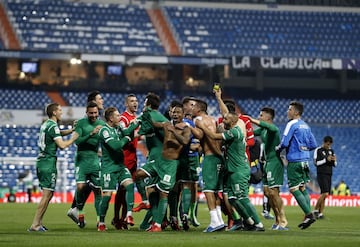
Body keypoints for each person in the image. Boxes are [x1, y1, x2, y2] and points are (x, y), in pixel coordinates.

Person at [196, 111, 265, 231]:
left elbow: (213, 137)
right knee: (232, 199)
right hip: (233, 170)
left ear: (233, 122)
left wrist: (201, 126)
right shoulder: (232, 132)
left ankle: (258, 224)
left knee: (242, 197)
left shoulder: (235, 132)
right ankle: (248, 221)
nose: (223, 121)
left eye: (226, 119)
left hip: (239, 170)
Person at [142, 102, 191, 232]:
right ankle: (158, 218)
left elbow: (185, 141)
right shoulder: (167, 124)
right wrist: (147, 114)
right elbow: (154, 124)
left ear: (182, 114)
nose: (175, 114)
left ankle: (166, 221)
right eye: (173, 112)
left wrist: (174, 131)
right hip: (162, 161)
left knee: (170, 192)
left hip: (176, 162)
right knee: (153, 187)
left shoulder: (186, 128)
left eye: (178, 112)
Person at [28, 103, 77, 232]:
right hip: (48, 162)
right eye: (60, 110)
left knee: (49, 194)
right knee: (47, 194)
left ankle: (38, 223)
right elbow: (61, 145)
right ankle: (35, 224)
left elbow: (58, 133)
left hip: (42, 161)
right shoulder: (53, 126)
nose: (62, 112)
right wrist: (74, 138)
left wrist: (71, 130)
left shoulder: (46, 124)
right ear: (54, 112)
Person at [276, 101, 317, 230]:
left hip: (295, 161)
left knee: (294, 189)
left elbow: (284, 142)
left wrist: (277, 149)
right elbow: (313, 144)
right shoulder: (305, 125)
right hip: (305, 160)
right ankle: (307, 215)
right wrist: (304, 149)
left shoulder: (292, 124)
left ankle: (309, 215)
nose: (287, 112)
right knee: (303, 188)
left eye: (290, 110)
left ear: (296, 112)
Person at [97, 107, 139, 231]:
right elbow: (116, 146)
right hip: (108, 168)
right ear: (110, 118)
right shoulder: (104, 130)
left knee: (130, 185)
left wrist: (137, 121)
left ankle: (129, 215)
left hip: (120, 166)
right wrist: (127, 139)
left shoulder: (118, 127)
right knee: (107, 196)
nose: (120, 117)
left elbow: (127, 132)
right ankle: (101, 222)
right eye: (117, 115)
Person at [112, 94, 149, 230]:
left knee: (125, 190)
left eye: (136, 101)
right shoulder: (123, 118)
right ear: (126, 104)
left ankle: (121, 219)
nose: (135, 103)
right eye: (132, 101)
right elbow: (124, 134)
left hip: (133, 159)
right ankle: (117, 219)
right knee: (122, 190)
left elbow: (136, 137)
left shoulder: (134, 118)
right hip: (124, 159)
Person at [67, 90, 105, 224]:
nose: (102, 101)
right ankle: (77, 211)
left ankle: (100, 221)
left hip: (95, 160)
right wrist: (91, 134)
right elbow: (76, 141)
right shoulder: (81, 123)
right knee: (81, 187)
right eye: (100, 99)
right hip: (82, 160)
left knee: (97, 190)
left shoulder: (103, 123)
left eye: (95, 113)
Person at [247, 107, 288, 230]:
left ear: (268, 117)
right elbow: (252, 133)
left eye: (261, 115)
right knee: (267, 192)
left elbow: (272, 128)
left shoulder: (273, 129)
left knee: (274, 192)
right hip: (266, 163)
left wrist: (251, 119)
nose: (259, 117)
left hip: (274, 162)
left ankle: (283, 220)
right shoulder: (263, 130)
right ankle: (276, 220)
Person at [134, 92, 169, 231]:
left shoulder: (153, 117)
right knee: (153, 190)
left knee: (139, 177)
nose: (142, 106)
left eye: (144, 103)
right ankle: (154, 223)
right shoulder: (158, 117)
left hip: (159, 159)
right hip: (155, 156)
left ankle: (155, 217)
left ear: (148, 104)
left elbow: (167, 135)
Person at [190, 98, 226, 233]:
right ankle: (220, 221)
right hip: (217, 157)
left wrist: (189, 127)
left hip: (211, 157)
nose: (192, 108)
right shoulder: (213, 119)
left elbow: (204, 136)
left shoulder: (198, 120)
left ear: (199, 109)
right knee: (215, 191)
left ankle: (214, 222)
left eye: (194, 106)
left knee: (208, 190)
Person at [313, 136, 337, 219]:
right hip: (321, 174)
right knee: (325, 193)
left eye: (330, 144)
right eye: (327, 144)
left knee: (324, 194)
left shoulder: (331, 151)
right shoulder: (318, 150)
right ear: (324, 142)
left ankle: (320, 214)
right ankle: (315, 210)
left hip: (329, 174)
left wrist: (334, 160)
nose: (328, 146)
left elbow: (335, 165)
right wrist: (326, 160)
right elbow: (316, 163)